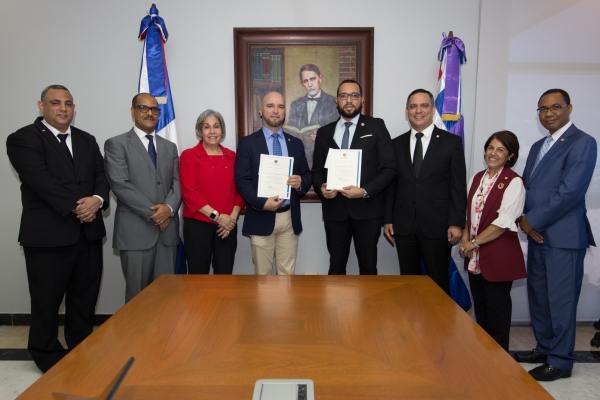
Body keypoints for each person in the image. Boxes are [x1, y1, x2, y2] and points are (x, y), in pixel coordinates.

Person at [6, 85, 109, 372]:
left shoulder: (87, 140)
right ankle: (46, 354)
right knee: (46, 301)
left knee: (84, 299)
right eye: (55, 103)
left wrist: (98, 200)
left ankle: (80, 349)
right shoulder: (22, 138)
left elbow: (101, 175)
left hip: (88, 235)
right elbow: (40, 180)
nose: (63, 108)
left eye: (68, 103)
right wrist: (81, 206)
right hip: (48, 236)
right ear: (41, 106)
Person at [514, 89, 597, 381]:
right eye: (543, 109)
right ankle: (545, 347)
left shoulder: (583, 142)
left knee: (561, 301)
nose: (548, 113)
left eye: (555, 107)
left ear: (569, 108)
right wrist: (520, 217)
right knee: (540, 296)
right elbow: (529, 187)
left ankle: (561, 361)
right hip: (537, 234)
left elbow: (570, 192)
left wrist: (530, 220)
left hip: (562, 236)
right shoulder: (539, 145)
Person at [384, 89, 467, 294]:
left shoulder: (451, 142)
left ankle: (440, 326)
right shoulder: (395, 144)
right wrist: (388, 219)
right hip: (404, 226)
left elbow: (458, 185)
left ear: (432, 109)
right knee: (409, 283)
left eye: (424, 105)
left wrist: (456, 223)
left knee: (438, 283)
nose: (418, 110)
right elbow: (391, 185)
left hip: (438, 225)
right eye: (413, 106)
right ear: (406, 111)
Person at [312, 80, 396, 275]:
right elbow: (316, 171)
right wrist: (321, 188)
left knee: (368, 268)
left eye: (354, 95)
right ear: (336, 101)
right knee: (336, 267)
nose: (349, 100)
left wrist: (365, 191)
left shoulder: (376, 126)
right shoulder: (325, 133)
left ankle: (368, 307)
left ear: (362, 99)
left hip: (367, 211)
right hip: (335, 211)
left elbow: (390, 168)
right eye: (343, 96)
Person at [104, 93, 182, 302]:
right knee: (138, 298)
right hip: (135, 233)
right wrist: (157, 214)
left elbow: (177, 183)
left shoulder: (170, 147)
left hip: (167, 235)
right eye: (143, 108)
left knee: (166, 296)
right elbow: (120, 184)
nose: (149, 113)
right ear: (133, 111)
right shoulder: (116, 144)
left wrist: (169, 209)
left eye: (154, 109)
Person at [459, 130, 526, 352]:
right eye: (490, 148)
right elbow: (469, 214)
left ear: (510, 155)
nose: (493, 153)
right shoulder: (477, 178)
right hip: (475, 257)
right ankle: (484, 361)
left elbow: (503, 223)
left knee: (497, 317)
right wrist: (465, 239)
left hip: (498, 257)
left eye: (500, 150)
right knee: (483, 314)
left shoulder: (514, 182)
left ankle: (499, 365)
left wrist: (473, 243)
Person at [235, 91, 312, 275]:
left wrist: (301, 181)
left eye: (280, 106)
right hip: (261, 215)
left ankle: (284, 306)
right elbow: (242, 181)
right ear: (261, 111)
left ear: (285, 112)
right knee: (263, 276)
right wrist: (262, 203)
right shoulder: (247, 144)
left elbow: (308, 175)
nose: (275, 111)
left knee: (287, 275)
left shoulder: (296, 143)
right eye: (270, 106)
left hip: (288, 219)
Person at [180, 109, 244, 274]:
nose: (212, 131)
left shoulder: (232, 156)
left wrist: (232, 220)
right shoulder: (189, 156)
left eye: (216, 126)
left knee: (224, 276)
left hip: (227, 226)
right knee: (198, 278)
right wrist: (218, 217)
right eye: (207, 127)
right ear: (200, 131)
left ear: (222, 130)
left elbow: (240, 189)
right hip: (198, 227)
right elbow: (190, 193)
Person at [287, 63, 339, 130]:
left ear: (320, 79)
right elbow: (291, 131)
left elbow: (337, 129)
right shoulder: (295, 105)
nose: (310, 84)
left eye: (312, 79)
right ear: (302, 84)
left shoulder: (333, 102)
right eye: (306, 81)